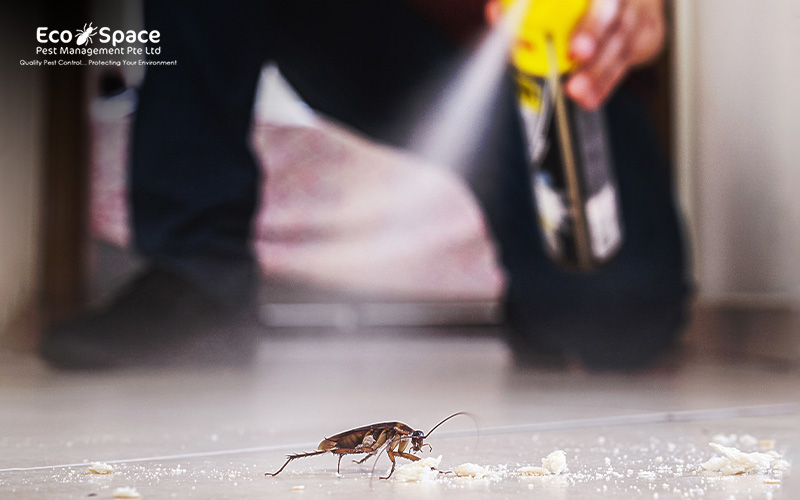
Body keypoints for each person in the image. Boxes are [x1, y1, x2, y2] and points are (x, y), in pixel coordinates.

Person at [41, 0, 688, 371]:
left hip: (541, 57)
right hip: (367, 24)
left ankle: (544, 282)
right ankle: (195, 270)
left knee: (619, 322)